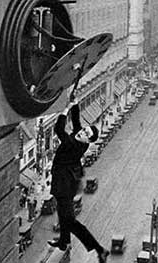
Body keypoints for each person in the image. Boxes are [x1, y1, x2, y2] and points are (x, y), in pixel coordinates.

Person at [48, 99, 109, 263]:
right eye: (84, 130)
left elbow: (58, 129)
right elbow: (76, 121)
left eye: (86, 134)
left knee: (70, 221)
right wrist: (75, 104)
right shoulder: (80, 139)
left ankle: (99, 249)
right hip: (67, 179)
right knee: (62, 214)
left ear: (88, 141)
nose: (82, 132)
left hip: (64, 184)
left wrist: (65, 109)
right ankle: (63, 241)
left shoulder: (71, 143)